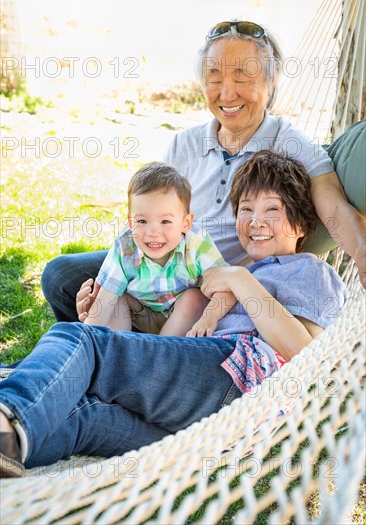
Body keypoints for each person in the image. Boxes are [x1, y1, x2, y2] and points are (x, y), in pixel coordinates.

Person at [0, 151, 347, 478]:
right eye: (245, 209)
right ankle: (11, 443)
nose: (256, 221)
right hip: (208, 433)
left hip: (237, 382)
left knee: (77, 338)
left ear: (301, 225)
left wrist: (240, 280)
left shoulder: (309, 270)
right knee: (85, 418)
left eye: (272, 209)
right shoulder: (233, 273)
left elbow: (305, 356)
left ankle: (7, 416)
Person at [41, 21, 365, 323]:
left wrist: (363, 256)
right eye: (214, 78)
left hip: (214, 289)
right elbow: (150, 215)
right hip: (160, 266)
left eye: (242, 78)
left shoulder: (290, 144)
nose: (226, 94)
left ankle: (111, 354)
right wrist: (113, 281)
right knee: (62, 277)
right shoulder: (185, 143)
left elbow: (334, 207)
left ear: (272, 79)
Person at [84, 161, 234, 336]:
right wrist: (88, 335)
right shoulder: (124, 248)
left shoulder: (197, 244)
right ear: (131, 223)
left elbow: (227, 288)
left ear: (185, 223)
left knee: (193, 298)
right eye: (142, 221)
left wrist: (209, 318)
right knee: (114, 300)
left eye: (165, 222)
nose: (153, 232)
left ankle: (162, 351)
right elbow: (102, 305)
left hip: (183, 319)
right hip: (138, 314)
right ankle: (117, 348)